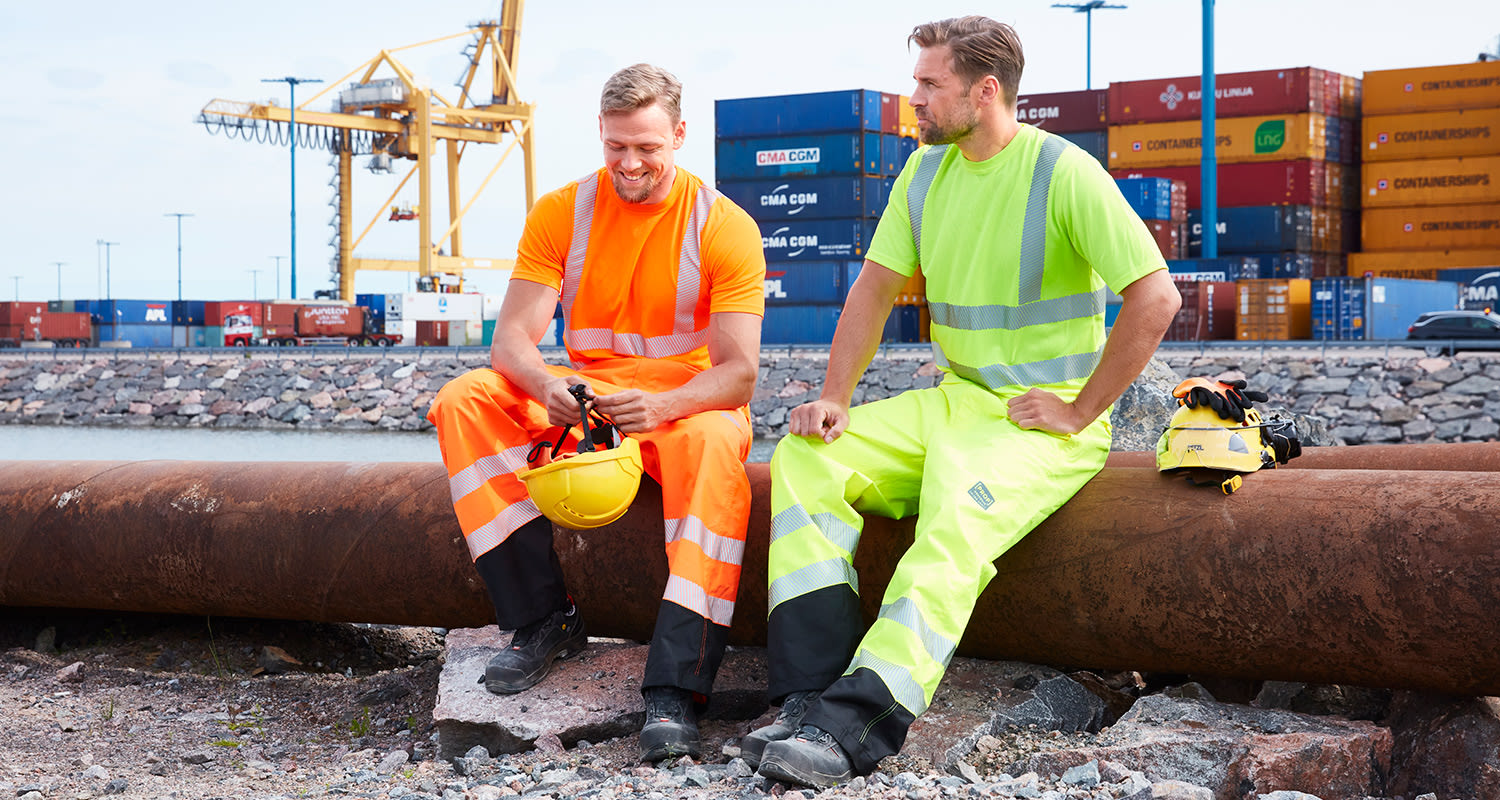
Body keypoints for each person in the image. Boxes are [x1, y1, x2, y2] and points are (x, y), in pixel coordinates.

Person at [745, 16, 1181, 789]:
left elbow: (1156, 296)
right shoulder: (923, 174)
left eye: (928, 84)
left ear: (984, 92)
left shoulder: (1063, 172)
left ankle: (857, 727)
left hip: (1037, 426)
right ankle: (805, 697)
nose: (913, 98)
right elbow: (874, 289)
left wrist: (1081, 411)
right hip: (955, 402)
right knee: (808, 458)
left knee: (955, 522)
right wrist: (834, 398)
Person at [425, 63, 766, 763]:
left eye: (646, 147)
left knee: (711, 447)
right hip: (586, 398)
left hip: (684, 405)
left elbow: (737, 376)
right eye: (616, 147)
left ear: (678, 135)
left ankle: (677, 685)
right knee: (465, 401)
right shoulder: (562, 211)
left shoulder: (725, 227)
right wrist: (545, 384)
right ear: (600, 136)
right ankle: (542, 621)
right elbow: (511, 339)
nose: (630, 163)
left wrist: (664, 403)